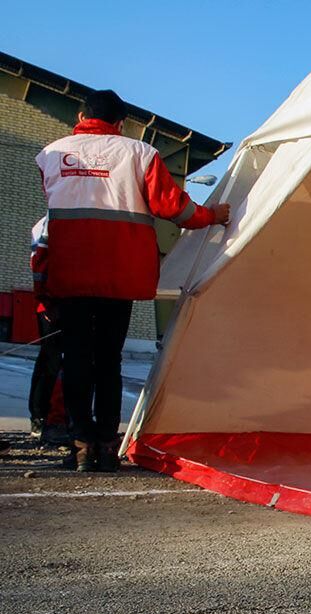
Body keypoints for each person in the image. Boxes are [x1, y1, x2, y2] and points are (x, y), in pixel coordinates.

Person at [35, 89, 230, 472]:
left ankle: (79, 446)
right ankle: (107, 447)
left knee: (75, 360)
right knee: (108, 360)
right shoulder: (140, 153)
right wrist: (212, 215)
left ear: (80, 115)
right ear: (121, 123)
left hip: (70, 273)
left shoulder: (51, 154)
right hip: (119, 275)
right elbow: (173, 208)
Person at [27, 217, 70, 447]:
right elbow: (40, 260)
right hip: (54, 302)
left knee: (53, 359)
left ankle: (48, 417)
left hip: (59, 299)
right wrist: (44, 299)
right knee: (52, 360)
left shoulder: (50, 220)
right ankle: (46, 418)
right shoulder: (52, 220)